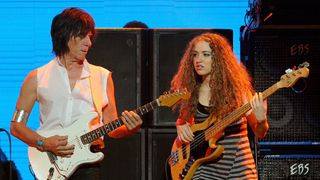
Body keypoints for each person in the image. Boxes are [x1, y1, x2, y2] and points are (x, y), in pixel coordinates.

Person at [10, 7, 142, 179]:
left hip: (88, 164)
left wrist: (130, 128)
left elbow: (112, 128)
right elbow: (16, 126)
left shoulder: (102, 76)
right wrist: (43, 143)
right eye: (82, 36)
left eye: (90, 36)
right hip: (50, 162)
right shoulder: (36, 77)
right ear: (64, 35)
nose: (89, 42)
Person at [170, 32, 269, 179]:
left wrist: (262, 120)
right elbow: (183, 121)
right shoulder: (191, 92)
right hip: (203, 166)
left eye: (205, 54)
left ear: (219, 59)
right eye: (195, 55)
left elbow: (260, 132)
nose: (198, 60)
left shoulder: (238, 92)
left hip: (238, 166)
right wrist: (180, 125)